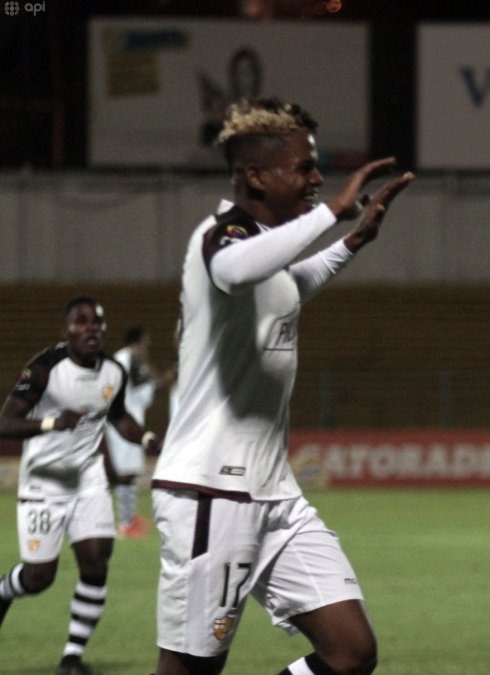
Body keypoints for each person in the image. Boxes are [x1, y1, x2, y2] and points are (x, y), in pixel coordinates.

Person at [151, 97, 414, 675]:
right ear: (255, 175)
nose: (318, 179)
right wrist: (332, 215)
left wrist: (351, 241)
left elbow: (289, 283)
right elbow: (234, 270)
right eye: (304, 167)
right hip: (209, 493)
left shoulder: (267, 254)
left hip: (275, 495)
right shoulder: (219, 238)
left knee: (350, 652)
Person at [0, 296, 163, 675]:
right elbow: (6, 423)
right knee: (39, 577)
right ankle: (5, 588)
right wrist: (51, 424)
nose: (91, 328)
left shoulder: (112, 373)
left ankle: (72, 657)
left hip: (88, 478)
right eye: (81, 322)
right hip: (45, 480)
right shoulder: (45, 368)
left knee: (96, 559)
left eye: (97, 322)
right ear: (66, 331)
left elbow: (119, 418)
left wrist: (147, 438)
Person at [104, 325, 176, 538]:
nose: (148, 346)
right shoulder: (132, 360)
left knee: (129, 471)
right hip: (125, 421)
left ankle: (129, 518)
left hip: (123, 419)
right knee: (126, 472)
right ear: (138, 342)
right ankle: (126, 523)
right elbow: (145, 386)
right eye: (146, 342)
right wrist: (165, 380)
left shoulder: (123, 359)